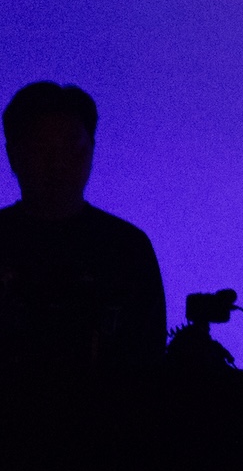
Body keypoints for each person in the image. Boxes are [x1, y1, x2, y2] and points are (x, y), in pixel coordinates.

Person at [0, 82, 165, 385]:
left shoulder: (127, 249)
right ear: (13, 155)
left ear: (91, 150)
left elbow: (147, 365)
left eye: (71, 148)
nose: (57, 164)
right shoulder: (125, 246)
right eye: (41, 149)